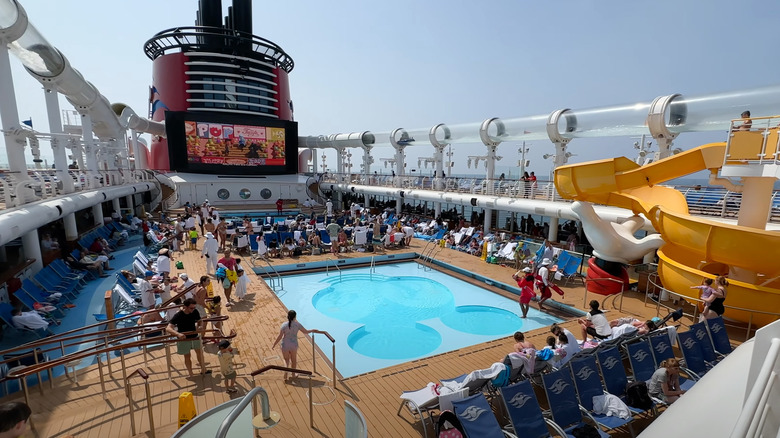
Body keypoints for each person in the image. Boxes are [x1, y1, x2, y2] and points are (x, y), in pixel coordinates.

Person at [165, 298, 210, 376]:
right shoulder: (178, 315)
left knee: (200, 354)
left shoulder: (195, 312)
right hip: (184, 338)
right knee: (187, 356)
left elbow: (200, 320)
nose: (193, 309)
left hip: (194, 336)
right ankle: (190, 373)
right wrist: (178, 334)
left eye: (194, 308)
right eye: (191, 308)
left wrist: (200, 326)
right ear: (185, 307)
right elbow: (168, 328)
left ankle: (203, 370)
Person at [272, 310, 320, 380]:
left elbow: (280, 336)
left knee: (286, 360)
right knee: (293, 360)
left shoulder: (284, 325)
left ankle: (286, 371)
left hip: (285, 344)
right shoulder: (297, 325)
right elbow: (306, 332)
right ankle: (293, 374)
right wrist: (312, 330)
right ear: (295, 316)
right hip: (293, 344)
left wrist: (274, 344)